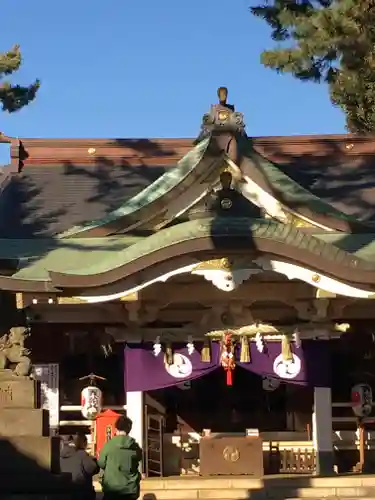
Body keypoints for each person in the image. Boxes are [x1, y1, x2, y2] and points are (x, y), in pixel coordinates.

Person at [98, 415, 142, 500]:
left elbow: (101, 463)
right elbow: (139, 458)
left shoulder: (108, 445)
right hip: (130, 488)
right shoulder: (135, 446)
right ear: (129, 429)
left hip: (111, 488)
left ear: (116, 427)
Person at [60, 432, 99, 500]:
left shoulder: (60, 456)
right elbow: (94, 468)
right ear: (83, 443)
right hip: (81, 494)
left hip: (64, 492)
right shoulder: (83, 456)